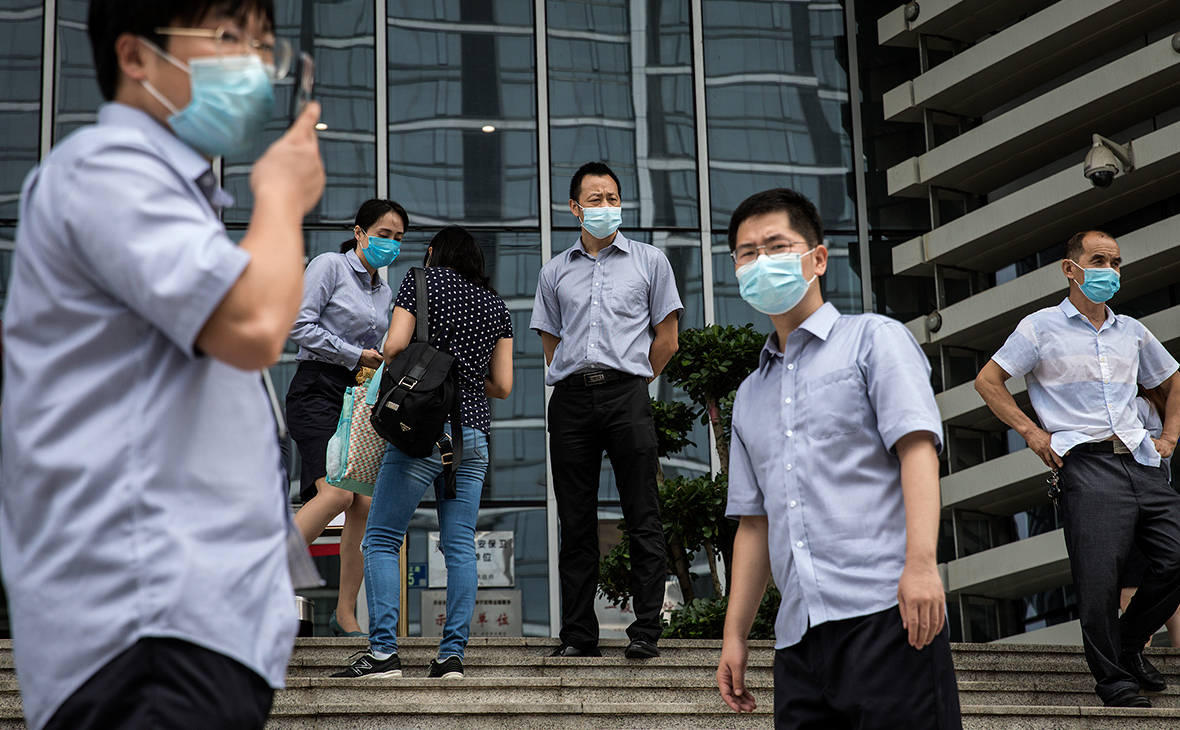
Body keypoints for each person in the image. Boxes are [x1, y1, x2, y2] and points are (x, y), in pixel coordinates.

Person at [0, 1, 325, 728]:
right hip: (148, 630)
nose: (252, 64)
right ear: (136, 57)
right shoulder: (106, 168)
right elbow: (253, 324)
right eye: (227, 38)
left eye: (261, 45)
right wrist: (279, 198)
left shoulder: (167, 193)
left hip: (183, 632)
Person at [716, 189, 962, 730]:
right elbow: (754, 524)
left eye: (776, 246)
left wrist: (922, 566)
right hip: (798, 641)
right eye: (747, 253)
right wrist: (735, 634)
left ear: (818, 258)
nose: (761, 262)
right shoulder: (749, 395)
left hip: (887, 613)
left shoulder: (874, 340)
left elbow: (917, 451)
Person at [975, 230, 1180, 708]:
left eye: (1115, 261)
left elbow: (1172, 379)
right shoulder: (1040, 327)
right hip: (1085, 464)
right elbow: (988, 380)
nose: (1109, 270)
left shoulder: (1132, 330)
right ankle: (1114, 681)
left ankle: (1128, 646)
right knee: (1099, 578)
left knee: (1174, 558)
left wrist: (1169, 436)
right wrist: (1031, 433)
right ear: (1071, 269)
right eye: (1098, 260)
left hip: (1142, 459)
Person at [332, 225, 513, 679]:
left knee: (381, 539)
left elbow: (394, 346)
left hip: (422, 431)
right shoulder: (497, 307)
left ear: (433, 252)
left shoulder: (421, 280)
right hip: (472, 434)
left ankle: (382, 654)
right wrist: (464, 378)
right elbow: (504, 386)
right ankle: (452, 656)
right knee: (459, 547)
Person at [529, 161, 682, 659]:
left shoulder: (651, 262)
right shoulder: (554, 271)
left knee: (643, 513)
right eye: (594, 200)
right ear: (574, 208)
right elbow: (552, 343)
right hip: (571, 399)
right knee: (575, 520)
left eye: (612, 197)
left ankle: (644, 632)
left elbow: (667, 339)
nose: (605, 207)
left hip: (627, 395)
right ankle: (578, 635)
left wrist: (634, 378)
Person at [286, 197, 407, 637]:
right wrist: (355, 352)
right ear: (359, 233)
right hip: (317, 388)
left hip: (356, 399)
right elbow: (297, 325)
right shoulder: (330, 267)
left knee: (366, 504)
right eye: (382, 235)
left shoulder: (385, 291)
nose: (389, 245)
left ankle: (345, 612)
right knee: (336, 495)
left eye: (397, 239)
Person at [1120, 388, 1180, 646]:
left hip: (1133, 496)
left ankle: (1138, 651)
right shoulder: (1162, 408)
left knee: (1131, 583)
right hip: (1160, 493)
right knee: (1169, 585)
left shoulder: (1134, 406)